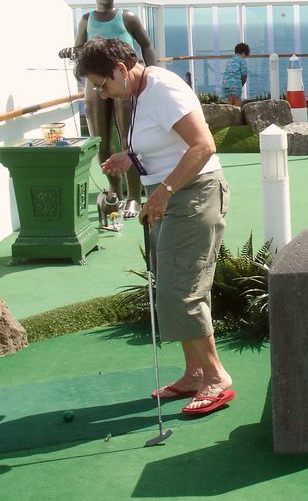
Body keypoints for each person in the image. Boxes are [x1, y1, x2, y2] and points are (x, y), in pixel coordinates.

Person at [74, 37, 234, 415]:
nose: (103, 93)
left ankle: (216, 378)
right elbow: (165, 138)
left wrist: (163, 193)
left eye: (102, 84)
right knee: (171, 287)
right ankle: (195, 373)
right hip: (172, 194)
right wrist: (131, 155)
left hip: (193, 195)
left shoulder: (162, 89)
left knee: (183, 290)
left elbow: (203, 146)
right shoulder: (141, 91)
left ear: (120, 68)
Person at [60, 0, 157, 218]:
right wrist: (71, 53)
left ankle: (134, 196)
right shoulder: (86, 20)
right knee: (100, 139)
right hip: (96, 83)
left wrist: (153, 73)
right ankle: (115, 191)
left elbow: (146, 45)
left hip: (124, 80)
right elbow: (80, 50)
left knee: (128, 138)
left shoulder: (128, 17)